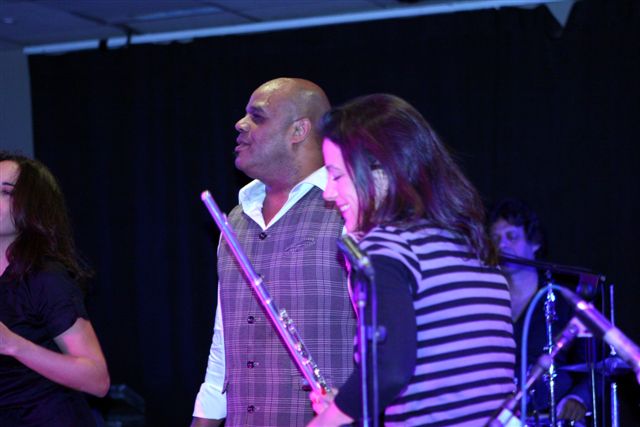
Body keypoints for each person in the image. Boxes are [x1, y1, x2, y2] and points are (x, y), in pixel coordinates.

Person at [308, 93, 516, 426]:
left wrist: (326, 421)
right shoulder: (467, 240)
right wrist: (349, 403)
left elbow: (389, 369)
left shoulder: (386, 247)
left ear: (381, 172)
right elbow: (447, 375)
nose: (328, 193)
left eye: (336, 176)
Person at [191, 78, 356, 426]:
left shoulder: (349, 209)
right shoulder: (235, 219)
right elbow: (224, 341)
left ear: (298, 130)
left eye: (258, 116)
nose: (240, 124)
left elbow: (384, 343)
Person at [0, 152, 110, 426]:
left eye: (5, 191)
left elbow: (97, 380)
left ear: (31, 207)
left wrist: (13, 345)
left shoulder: (45, 277)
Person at [489, 198, 593, 425]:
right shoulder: (487, 302)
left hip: (552, 418)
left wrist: (578, 398)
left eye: (511, 236)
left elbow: (593, 368)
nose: (502, 245)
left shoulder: (563, 301)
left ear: (535, 243)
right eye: (495, 239)